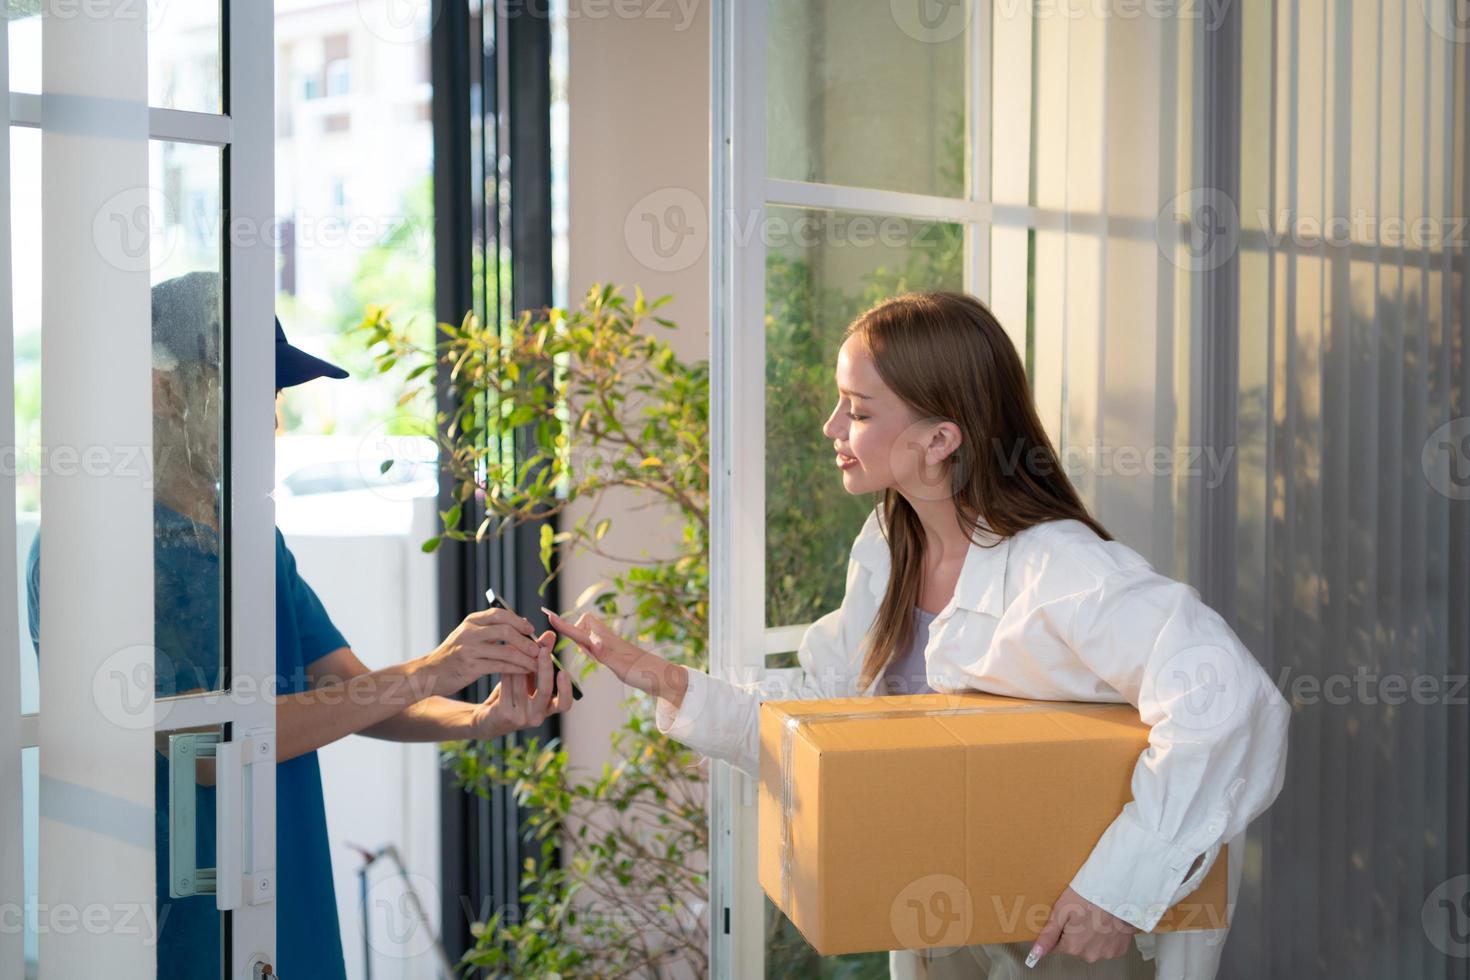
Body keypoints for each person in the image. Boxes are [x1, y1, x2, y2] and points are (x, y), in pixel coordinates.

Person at [544, 292, 1290, 980]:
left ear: (940, 438)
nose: (834, 429)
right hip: (953, 916)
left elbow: (1229, 701)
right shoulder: (888, 543)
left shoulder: (1062, 569)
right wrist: (677, 686)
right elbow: (834, 710)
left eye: (859, 411)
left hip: (1084, 936)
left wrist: (1118, 889)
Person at [27, 271, 574, 978]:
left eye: (275, 395)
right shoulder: (94, 547)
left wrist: (479, 718)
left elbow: (349, 689)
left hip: (288, 913)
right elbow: (204, 746)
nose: (272, 420)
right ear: (162, 391)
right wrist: (433, 669)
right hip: (181, 934)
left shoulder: (249, 537)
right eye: (247, 390)